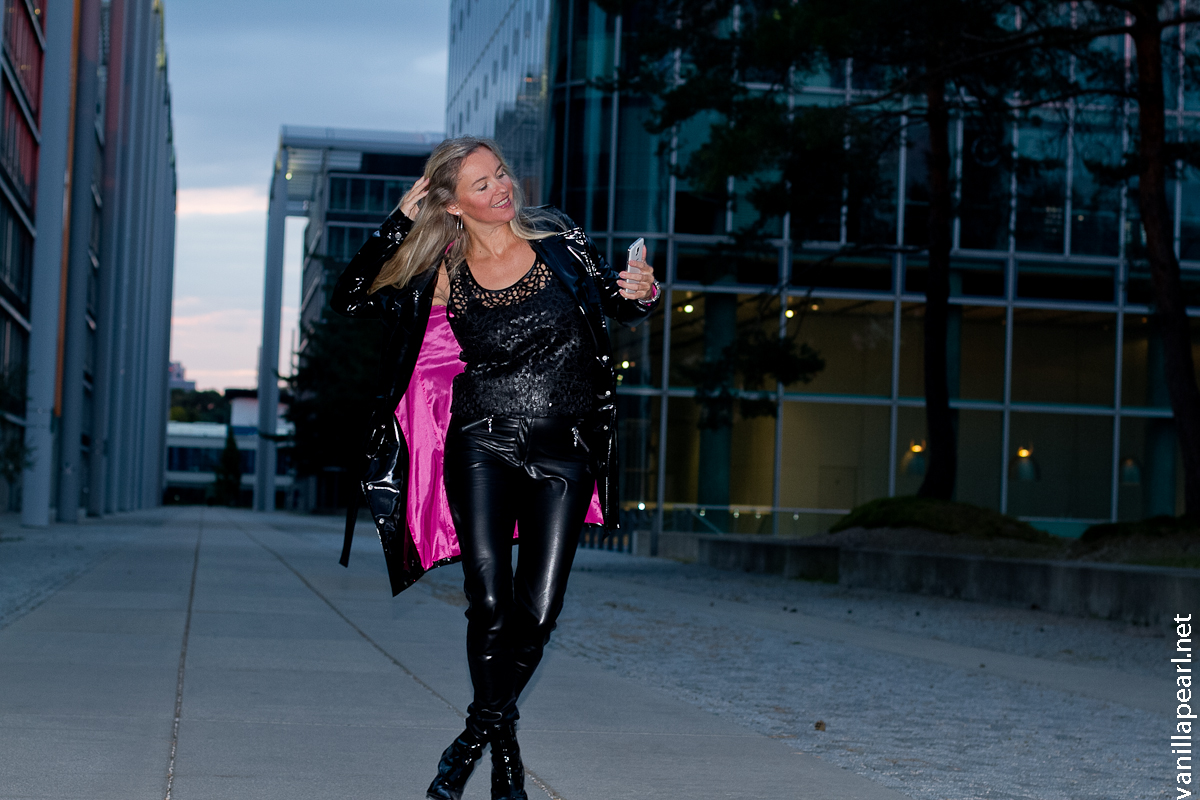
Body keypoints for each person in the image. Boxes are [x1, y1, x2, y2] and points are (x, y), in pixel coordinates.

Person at [330, 136, 659, 800]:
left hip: (566, 451)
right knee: (488, 603)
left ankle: (476, 739)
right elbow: (351, 297)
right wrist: (397, 222)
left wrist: (644, 291)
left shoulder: (560, 243)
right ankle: (502, 758)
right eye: (481, 184)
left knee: (538, 612)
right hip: (482, 445)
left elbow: (618, 303)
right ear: (451, 204)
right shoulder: (442, 274)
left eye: (500, 173)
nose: (501, 187)